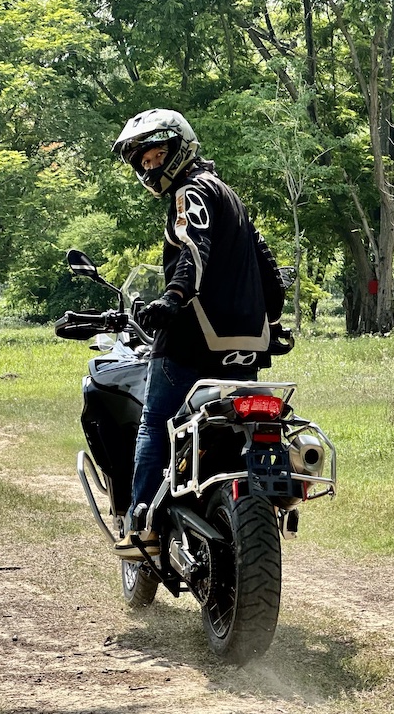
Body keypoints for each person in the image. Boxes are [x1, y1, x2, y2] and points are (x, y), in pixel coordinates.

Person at [111, 108, 286, 552]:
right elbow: (267, 269)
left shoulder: (190, 194)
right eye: (143, 162)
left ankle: (142, 524)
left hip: (196, 344)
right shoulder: (229, 196)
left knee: (154, 424)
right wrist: (272, 321)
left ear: (179, 147)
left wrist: (172, 299)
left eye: (156, 155)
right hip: (246, 349)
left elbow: (194, 249)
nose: (150, 167)